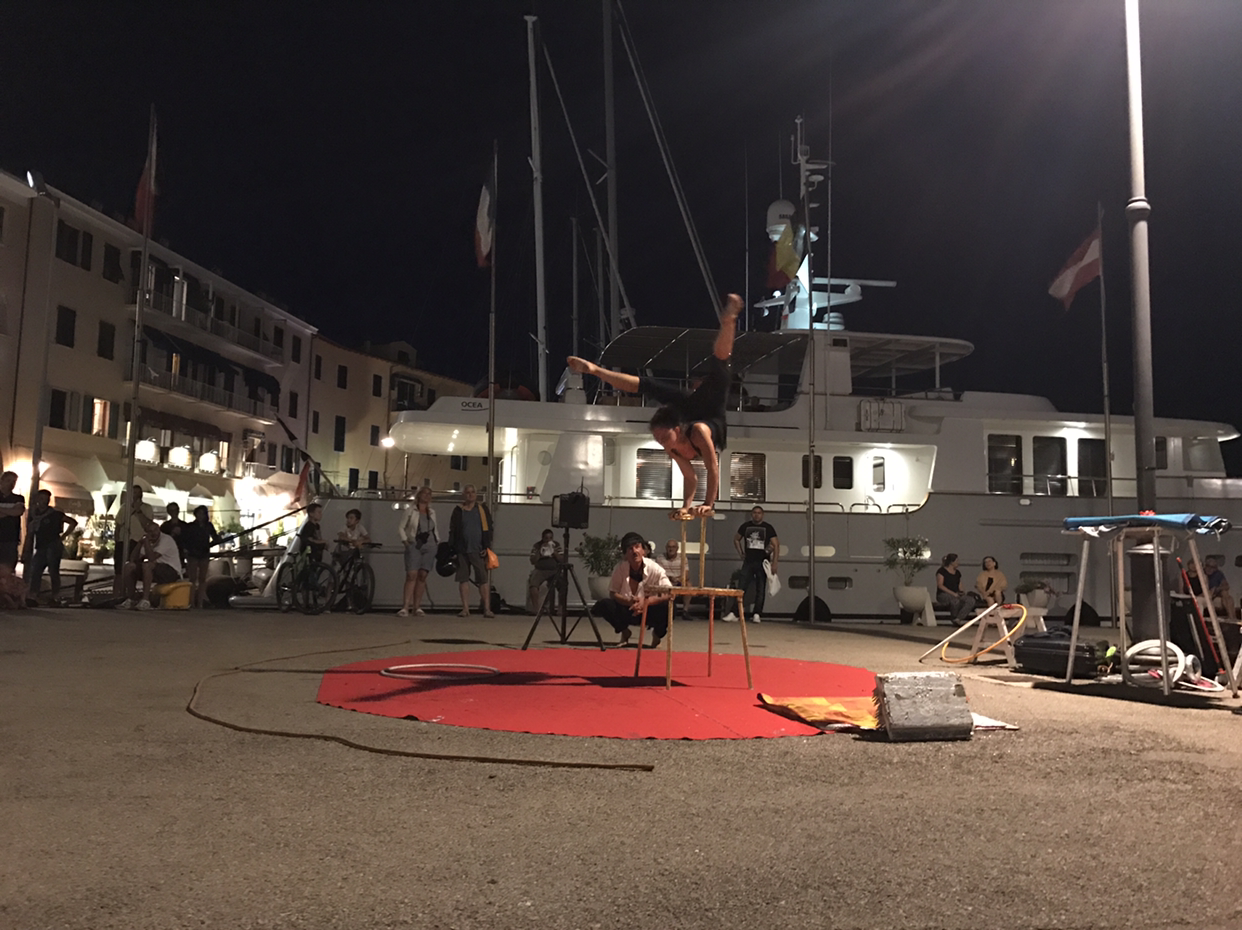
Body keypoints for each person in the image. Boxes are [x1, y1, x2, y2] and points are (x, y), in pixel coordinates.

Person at [568, 293, 742, 517]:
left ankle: (729, 321)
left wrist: (709, 504)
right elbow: (690, 477)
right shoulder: (672, 446)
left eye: (663, 437)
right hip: (688, 408)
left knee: (720, 364)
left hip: (711, 407)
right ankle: (595, 371)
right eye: (658, 439)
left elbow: (712, 468)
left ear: (677, 430)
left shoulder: (699, 433)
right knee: (647, 385)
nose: (661, 442)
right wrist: (686, 506)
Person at [592, 531, 673, 648]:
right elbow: (613, 593)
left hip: (649, 610)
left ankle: (657, 634)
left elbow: (670, 592)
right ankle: (624, 631)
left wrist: (646, 602)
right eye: (630, 549)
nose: (634, 551)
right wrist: (628, 601)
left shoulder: (654, 568)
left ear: (643, 551)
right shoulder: (621, 568)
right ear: (625, 554)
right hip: (628, 608)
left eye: (637, 547)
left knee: (669, 606)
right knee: (603, 605)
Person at [448, 484, 494, 618]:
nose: (470, 494)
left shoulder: (482, 510)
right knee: (463, 579)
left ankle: (487, 608)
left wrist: (486, 547)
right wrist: (453, 548)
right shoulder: (458, 511)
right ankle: (465, 609)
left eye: (472, 492)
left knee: (483, 579)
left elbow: (489, 528)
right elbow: (453, 530)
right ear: (464, 495)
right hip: (462, 549)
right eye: (467, 492)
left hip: (478, 549)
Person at [25, 489, 77, 603]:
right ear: (37, 500)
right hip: (41, 545)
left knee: (53, 571)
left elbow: (73, 522)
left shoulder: (55, 514)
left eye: (46, 499)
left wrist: (63, 536)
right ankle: (34, 595)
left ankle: (55, 596)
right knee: (36, 570)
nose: (44, 501)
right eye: (42, 499)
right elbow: (30, 532)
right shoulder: (34, 514)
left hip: (53, 544)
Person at [120, 522, 183, 610]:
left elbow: (152, 558)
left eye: (155, 530)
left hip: (171, 571)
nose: (153, 533)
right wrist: (139, 543)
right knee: (129, 566)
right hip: (155, 569)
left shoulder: (166, 540)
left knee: (147, 566)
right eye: (150, 531)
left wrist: (146, 542)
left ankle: (145, 600)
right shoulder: (148, 541)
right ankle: (131, 598)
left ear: (159, 530)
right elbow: (133, 558)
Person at [734, 506, 779, 623]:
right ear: (751, 514)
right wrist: (741, 553)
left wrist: (774, 562)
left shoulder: (768, 528)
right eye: (754, 513)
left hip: (762, 561)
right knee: (741, 586)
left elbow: (776, 544)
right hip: (748, 561)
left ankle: (757, 613)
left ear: (762, 514)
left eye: (759, 513)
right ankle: (735, 612)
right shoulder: (745, 526)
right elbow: (736, 539)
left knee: (761, 588)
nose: (756, 515)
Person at [398, 487, 438, 617]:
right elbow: (401, 527)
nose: (427, 496)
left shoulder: (431, 512)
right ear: (419, 495)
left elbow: (434, 528)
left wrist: (437, 542)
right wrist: (405, 541)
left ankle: (417, 606)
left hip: (429, 545)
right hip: (414, 544)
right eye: (424, 493)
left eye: (429, 494)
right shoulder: (411, 511)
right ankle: (405, 607)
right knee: (411, 574)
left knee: (422, 575)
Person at [181, 505, 222, 609]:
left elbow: (215, 538)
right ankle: (192, 602)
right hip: (193, 554)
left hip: (203, 553)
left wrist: (212, 543)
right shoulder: (191, 526)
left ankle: (199, 602)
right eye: (198, 513)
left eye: (202, 514)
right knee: (193, 578)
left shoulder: (208, 526)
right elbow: (185, 540)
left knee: (202, 579)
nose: (200, 516)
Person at [115, 485, 155, 577]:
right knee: (119, 570)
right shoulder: (124, 508)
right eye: (134, 493)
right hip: (123, 541)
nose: (136, 495)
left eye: (138, 493)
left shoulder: (147, 508)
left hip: (138, 541)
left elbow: (148, 524)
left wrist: (138, 511)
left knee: (133, 569)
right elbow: (118, 525)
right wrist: (117, 539)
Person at [527, 528, 565, 615]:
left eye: (550, 538)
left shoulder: (556, 545)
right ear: (543, 538)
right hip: (540, 570)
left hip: (554, 570)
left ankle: (561, 608)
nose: (548, 540)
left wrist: (554, 552)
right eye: (546, 538)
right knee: (533, 585)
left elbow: (562, 560)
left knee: (563, 584)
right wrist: (540, 552)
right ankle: (536, 609)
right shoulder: (537, 546)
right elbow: (532, 561)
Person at [936, 553, 978, 626]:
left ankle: (959, 618)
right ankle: (954, 617)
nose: (958, 563)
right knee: (955, 601)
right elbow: (940, 585)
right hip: (943, 594)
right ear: (951, 562)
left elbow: (959, 584)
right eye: (957, 561)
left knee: (970, 600)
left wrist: (962, 592)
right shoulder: (941, 571)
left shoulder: (957, 573)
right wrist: (953, 594)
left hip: (956, 593)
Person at [655, 538, 692, 617]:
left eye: (673, 547)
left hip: (679, 581)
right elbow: (658, 573)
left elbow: (686, 574)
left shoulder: (683, 558)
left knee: (688, 585)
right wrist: (669, 579)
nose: (671, 549)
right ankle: (664, 610)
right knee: (659, 585)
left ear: (677, 548)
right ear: (666, 548)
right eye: (669, 547)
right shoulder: (660, 558)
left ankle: (685, 611)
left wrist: (679, 579)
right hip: (665, 581)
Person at [0, 470, 26, 573]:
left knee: (8, 571)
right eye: (8, 481)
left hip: (10, 539)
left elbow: (18, 511)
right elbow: (14, 512)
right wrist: (10, 511)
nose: (11, 484)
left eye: (13, 482)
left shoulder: (18, 498)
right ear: (1, 481)